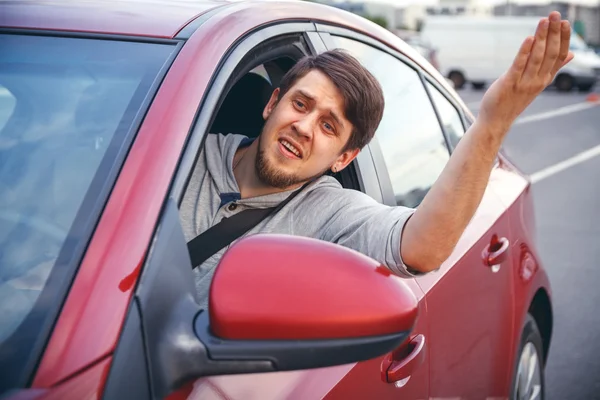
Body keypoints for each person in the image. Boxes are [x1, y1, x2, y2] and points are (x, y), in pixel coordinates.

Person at [180, 12, 574, 308]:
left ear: (344, 158)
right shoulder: (180, 154)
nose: (303, 127)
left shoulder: (329, 212)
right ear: (272, 103)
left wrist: (492, 123)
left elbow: (421, 247)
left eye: (329, 127)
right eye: (300, 104)